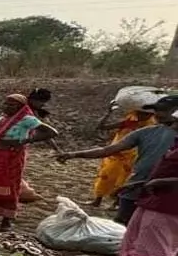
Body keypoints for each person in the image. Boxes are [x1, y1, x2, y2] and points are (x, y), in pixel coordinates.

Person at [58, 95, 178, 225]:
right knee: (124, 227)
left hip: (166, 194)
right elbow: (108, 150)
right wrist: (73, 154)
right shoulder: (146, 132)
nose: (158, 114)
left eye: (164, 110)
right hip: (136, 188)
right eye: (157, 110)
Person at [0, 94, 58, 230]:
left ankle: (6, 220)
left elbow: (52, 132)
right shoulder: (0, 119)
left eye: (12, 105)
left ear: (20, 107)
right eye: (6, 104)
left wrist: (22, 141)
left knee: (8, 186)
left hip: (11, 157)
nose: (7, 107)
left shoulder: (27, 119)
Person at [117, 115, 178, 256]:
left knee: (150, 252)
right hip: (156, 201)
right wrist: (139, 184)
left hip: (167, 206)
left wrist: (159, 183)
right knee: (162, 252)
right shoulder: (174, 143)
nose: (172, 125)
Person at [89, 104, 156, 207]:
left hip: (133, 156)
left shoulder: (151, 128)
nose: (142, 116)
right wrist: (109, 112)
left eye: (146, 114)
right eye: (140, 113)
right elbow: (101, 127)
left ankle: (116, 203)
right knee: (106, 175)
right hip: (115, 154)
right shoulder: (128, 122)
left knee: (124, 180)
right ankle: (98, 199)